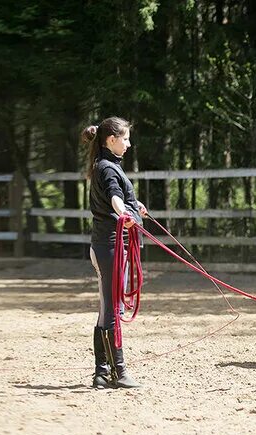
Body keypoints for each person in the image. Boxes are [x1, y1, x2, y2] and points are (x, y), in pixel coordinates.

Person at [81, 117, 147, 389]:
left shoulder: (107, 166)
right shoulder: (108, 169)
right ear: (111, 140)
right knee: (111, 309)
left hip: (107, 247)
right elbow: (115, 199)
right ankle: (117, 373)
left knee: (107, 307)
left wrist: (135, 205)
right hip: (111, 248)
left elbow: (120, 197)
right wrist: (125, 213)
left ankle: (101, 371)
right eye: (126, 139)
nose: (129, 144)